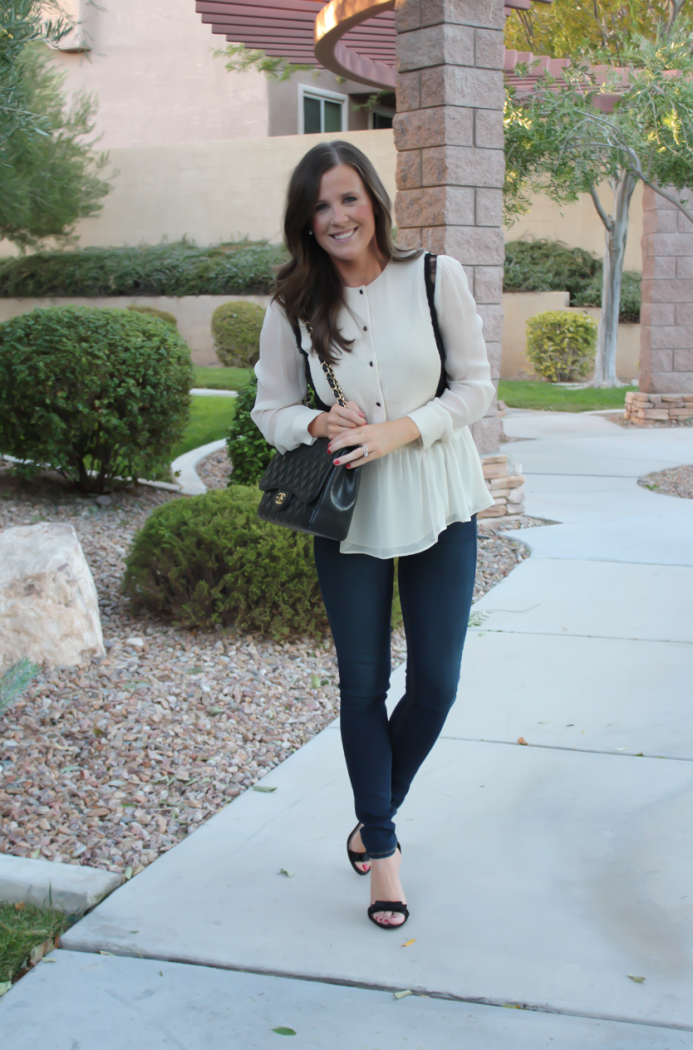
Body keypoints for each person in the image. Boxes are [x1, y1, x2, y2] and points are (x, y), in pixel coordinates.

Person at [251, 140, 495, 929]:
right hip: (349, 516)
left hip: (440, 499)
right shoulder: (292, 306)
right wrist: (315, 419)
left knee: (436, 685)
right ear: (304, 221)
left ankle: (371, 813)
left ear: (373, 201)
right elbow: (270, 413)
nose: (335, 217)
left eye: (347, 198)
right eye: (319, 206)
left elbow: (475, 387)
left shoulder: (433, 276)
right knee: (362, 688)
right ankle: (382, 852)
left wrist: (403, 430)